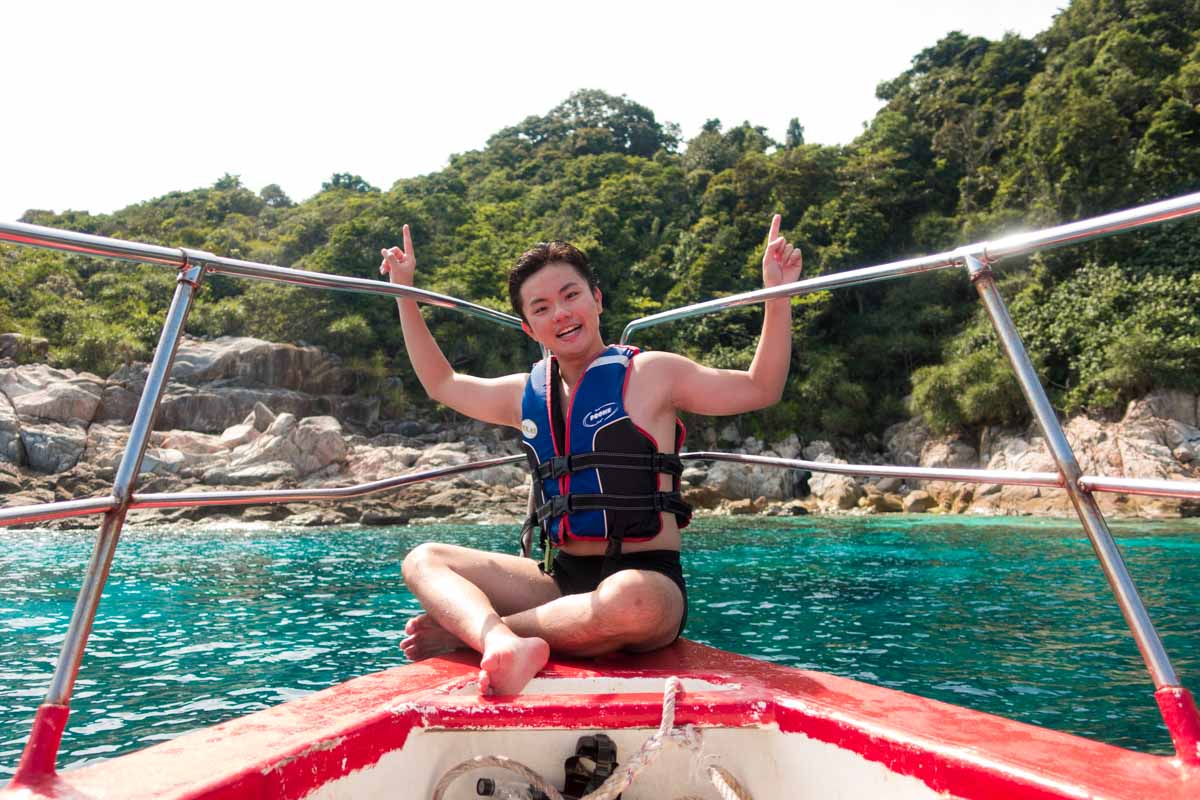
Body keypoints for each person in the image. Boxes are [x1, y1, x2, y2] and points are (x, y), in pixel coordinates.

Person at [379, 216, 802, 695]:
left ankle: (474, 635)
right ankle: (497, 639)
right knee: (424, 558)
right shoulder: (526, 394)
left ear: (596, 300)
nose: (560, 313)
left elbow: (760, 387)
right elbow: (444, 384)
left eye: (571, 295)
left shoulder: (653, 374)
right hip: (559, 581)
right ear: (528, 327)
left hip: (646, 578)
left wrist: (776, 293)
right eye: (542, 307)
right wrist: (405, 293)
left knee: (631, 600)